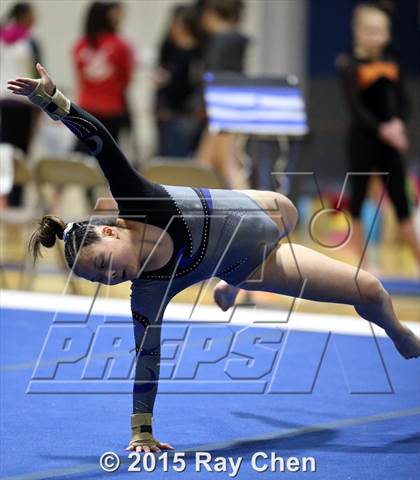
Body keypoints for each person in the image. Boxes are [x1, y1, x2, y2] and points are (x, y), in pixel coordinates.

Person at [7, 64, 419, 452]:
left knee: (288, 212)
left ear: (110, 230)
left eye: (102, 263)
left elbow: (100, 140)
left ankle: (228, 283)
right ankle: (399, 332)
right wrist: (142, 431)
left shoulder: (140, 200)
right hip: (252, 263)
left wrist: (52, 100)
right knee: (368, 289)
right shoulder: (146, 293)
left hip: (267, 213)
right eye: (99, 281)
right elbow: (147, 358)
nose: (109, 275)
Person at [336, 2, 419, 267]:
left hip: (390, 140)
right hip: (364, 139)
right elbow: (357, 109)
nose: (376, 37)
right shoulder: (347, 63)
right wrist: (384, 130)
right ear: (357, 31)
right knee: (358, 199)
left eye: (381, 31)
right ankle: (362, 266)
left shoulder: (392, 61)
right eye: (370, 31)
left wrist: (398, 125)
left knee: (401, 202)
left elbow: (405, 102)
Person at [72, 1, 135, 205]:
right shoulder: (121, 46)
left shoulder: (79, 46)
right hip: (111, 110)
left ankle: (82, 197)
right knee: (109, 161)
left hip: (85, 109)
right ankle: (108, 201)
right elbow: (126, 79)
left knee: (79, 157)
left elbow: (81, 76)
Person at [195, 0, 249, 189]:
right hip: (232, 108)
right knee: (207, 163)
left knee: (226, 166)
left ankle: (253, 211)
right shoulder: (236, 40)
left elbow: (213, 77)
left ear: (210, 14)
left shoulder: (220, 41)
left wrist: (203, 105)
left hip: (221, 111)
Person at [0, 2, 41, 206]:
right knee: (19, 155)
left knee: (6, 152)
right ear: (24, 15)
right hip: (22, 102)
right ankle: (14, 199)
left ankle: (8, 198)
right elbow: (38, 73)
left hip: (7, 102)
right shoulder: (29, 41)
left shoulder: (2, 37)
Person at [154, 4, 204, 157]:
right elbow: (162, 76)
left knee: (182, 154)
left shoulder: (198, 50)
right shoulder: (168, 46)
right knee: (166, 152)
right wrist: (160, 105)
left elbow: (195, 82)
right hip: (168, 110)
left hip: (187, 112)